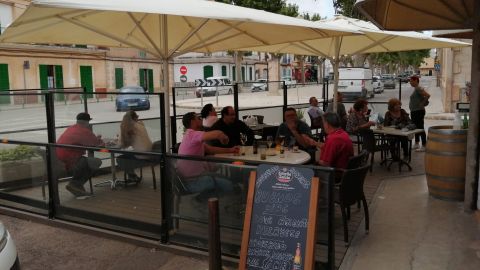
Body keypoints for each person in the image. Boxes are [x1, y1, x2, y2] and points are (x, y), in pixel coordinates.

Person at [177, 112, 239, 194]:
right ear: (192, 122)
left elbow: (210, 149)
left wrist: (230, 150)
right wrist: (223, 136)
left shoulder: (189, 136)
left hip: (190, 180)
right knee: (232, 187)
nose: (201, 120)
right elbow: (217, 134)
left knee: (223, 178)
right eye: (198, 118)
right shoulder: (192, 135)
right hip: (193, 182)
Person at [56, 112, 104, 197]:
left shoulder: (71, 128)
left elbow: (86, 142)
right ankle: (75, 184)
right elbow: (98, 145)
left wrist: (94, 140)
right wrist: (100, 141)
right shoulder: (84, 131)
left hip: (58, 161)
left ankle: (77, 186)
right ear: (86, 122)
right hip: (70, 161)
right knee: (96, 162)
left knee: (87, 161)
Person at [117, 110, 155, 182]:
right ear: (135, 118)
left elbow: (120, 145)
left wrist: (117, 141)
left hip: (142, 155)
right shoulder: (140, 125)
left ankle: (132, 176)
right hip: (150, 153)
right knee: (127, 154)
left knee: (120, 159)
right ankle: (132, 176)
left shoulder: (129, 127)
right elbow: (136, 141)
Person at [409, 75, 430, 152]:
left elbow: (427, 95)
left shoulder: (418, 88)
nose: (410, 82)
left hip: (418, 111)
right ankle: (417, 143)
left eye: (411, 81)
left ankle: (424, 145)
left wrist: (422, 103)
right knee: (416, 127)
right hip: (414, 111)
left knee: (420, 127)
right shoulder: (416, 89)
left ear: (415, 81)